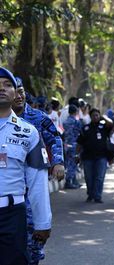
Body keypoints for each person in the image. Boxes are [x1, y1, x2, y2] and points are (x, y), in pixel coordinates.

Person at [0, 67, 52, 265]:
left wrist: (43, 222)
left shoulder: (28, 132)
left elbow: (37, 180)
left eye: (7, 85)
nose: (2, 89)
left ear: (16, 93)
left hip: (12, 216)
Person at [12, 77, 64, 265]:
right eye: (15, 91)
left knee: (34, 232)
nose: (19, 96)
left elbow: (54, 139)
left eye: (22, 91)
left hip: (33, 180)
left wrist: (58, 163)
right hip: (9, 184)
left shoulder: (38, 117)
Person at [77, 108, 113, 203]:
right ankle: (90, 194)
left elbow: (111, 124)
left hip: (101, 156)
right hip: (88, 157)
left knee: (99, 177)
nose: (95, 117)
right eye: (93, 115)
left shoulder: (104, 127)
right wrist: (77, 155)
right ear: (90, 117)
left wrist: (103, 117)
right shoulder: (85, 128)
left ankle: (97, 196)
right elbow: (79, 143)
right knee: (89, 177)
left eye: (97, 115)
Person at [63, 105, 83, 189]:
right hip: (74, 144)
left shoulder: (65, 121)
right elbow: (81, 132)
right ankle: (69, 181)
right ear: (76, 112)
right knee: (73, 163)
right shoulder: (76, 122)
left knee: (68, 163)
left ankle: (74, 181)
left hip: (66, 144)